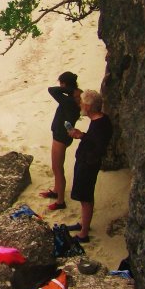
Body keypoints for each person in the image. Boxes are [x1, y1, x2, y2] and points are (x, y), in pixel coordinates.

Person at [67, 90, 113, 243]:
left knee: (85, 197)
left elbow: (98, 146)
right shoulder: (101, 120)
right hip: (86, 161)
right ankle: (83, 224)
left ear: (87, 106)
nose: (80, 104)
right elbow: (95, 141)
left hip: (88, 163)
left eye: (81, 102)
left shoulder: (100, 123)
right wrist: (83, 136)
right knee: (84, 196)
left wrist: (82, 136)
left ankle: (83, 233)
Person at [41, 72, 82, 211]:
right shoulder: (74, 98)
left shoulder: (69, 100)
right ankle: (56, 191)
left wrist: (68, 89)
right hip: (61, 135)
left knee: (58, 169)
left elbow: (51, 90)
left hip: (61, 137)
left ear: (64, 84)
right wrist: (71, 89)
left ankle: (60, 201)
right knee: (56, 167)